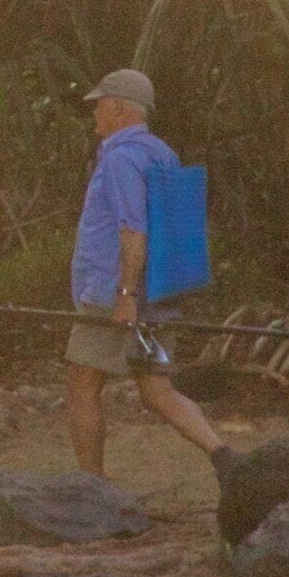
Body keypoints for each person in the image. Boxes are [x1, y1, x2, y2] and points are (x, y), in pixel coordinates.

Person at [65, 67, 225, 479]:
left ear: (119, 107)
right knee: (157, 389)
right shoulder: (162, 153)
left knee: (82, 386)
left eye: (99, 104)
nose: (95, 113)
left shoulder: (120, 160)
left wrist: (124, 294)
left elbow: (133, 230)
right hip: (159, 290)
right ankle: (224, 456)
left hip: (112, 294)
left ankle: (91, 488)